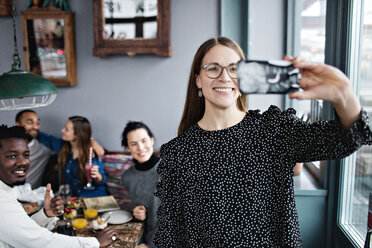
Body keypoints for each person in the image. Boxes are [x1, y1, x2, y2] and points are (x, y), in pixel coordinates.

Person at [154, 37, 371, 247]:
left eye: (234, 68)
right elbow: (171, 236)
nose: (224, 77)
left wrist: (344, 93)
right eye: (213, 68)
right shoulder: (178, 153)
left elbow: (345, 140)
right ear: (198, 80)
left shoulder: (274, 131)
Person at [0, 125, 117, 248]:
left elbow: (22, 232)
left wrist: (45, 214)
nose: (23, 162)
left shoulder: (7, 191)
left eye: (26, 155)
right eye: (12, 156)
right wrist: (95, 242)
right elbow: (41, 242)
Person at [15, 110, 105, 190]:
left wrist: (92, 141)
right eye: (30, 122)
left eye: (66, 129)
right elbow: (41, 136)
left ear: (77, 135)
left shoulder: (91, 153)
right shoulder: (62, 147)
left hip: (93, 198)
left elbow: (101, 181)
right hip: (74, 200)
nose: (62, 130)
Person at [121, 121, 160, 248]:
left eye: (144, 141)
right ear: (128, 148)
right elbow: (135, 205)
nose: (140, 148)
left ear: (152, 140)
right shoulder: (127, 177)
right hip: (141, 236)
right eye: (133, 144)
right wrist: (136, 210)